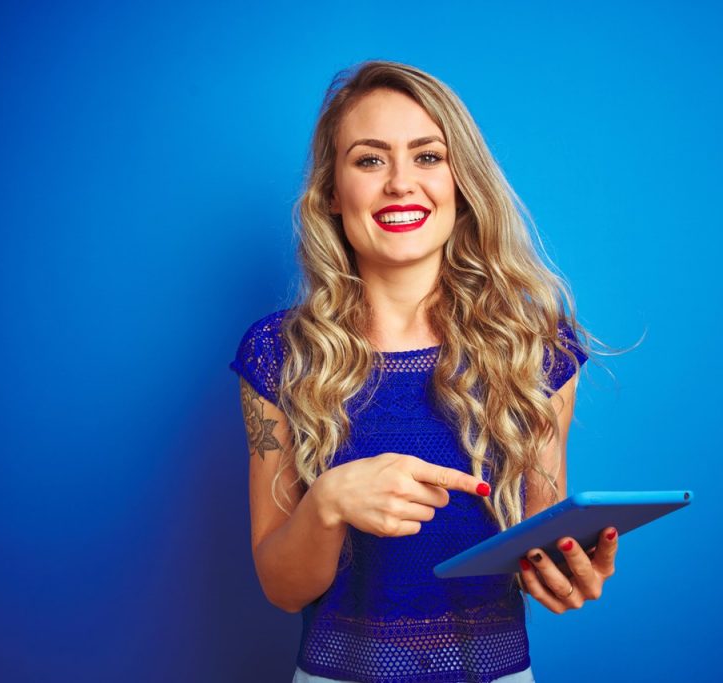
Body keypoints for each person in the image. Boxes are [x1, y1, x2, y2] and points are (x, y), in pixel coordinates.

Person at [230, 60, 619, 683]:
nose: (400, 184)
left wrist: (564, 572)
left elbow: (538, 541)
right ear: (333, 190)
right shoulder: (278, 353)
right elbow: (282, 588)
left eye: (428, 156)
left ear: (460, 179)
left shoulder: (536, 348)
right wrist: (327, 504)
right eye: (369, 160)